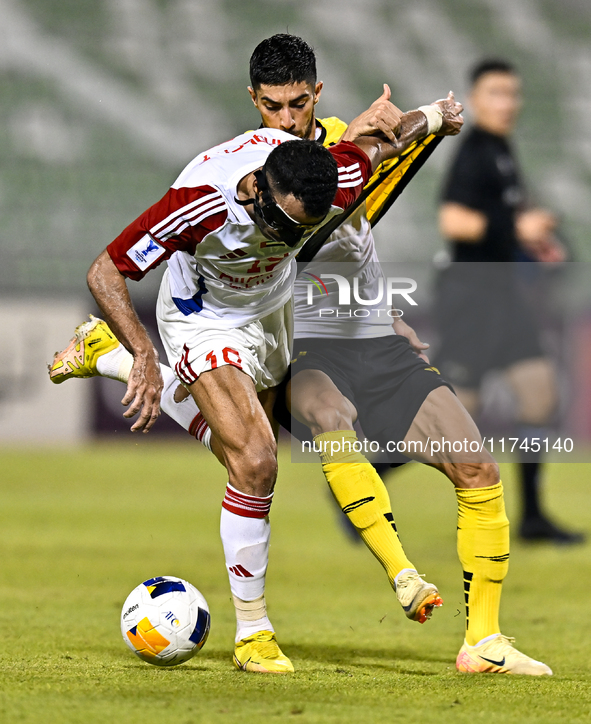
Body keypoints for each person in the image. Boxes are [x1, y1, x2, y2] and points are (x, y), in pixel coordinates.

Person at [50, 36, 551, 675]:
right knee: (256, 461)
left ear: (317, 94)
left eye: (298, 104)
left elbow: (389, 142)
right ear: (256, 189)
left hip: (277, 312)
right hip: (205, 317)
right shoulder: (203, 195)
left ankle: (483, 643)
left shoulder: (334, 175)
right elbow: (106, 268)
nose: (292, 239)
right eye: (272, 107)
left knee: (460, 461)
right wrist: (143, 352)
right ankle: (255, 634)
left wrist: (438, 115)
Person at [436, 58, 584, 545]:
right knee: (458, 415)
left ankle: (534, 517)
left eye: (513, 94)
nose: (507, 103)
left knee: (540, 395)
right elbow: (454, 222)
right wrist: (515, 229)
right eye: (496, 93)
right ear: (476, 100)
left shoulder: (502, 150)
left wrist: (534, 240)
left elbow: (504, 220)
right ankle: (374, 472)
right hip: (474, 298)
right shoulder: (474, 150)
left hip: (505, 296)